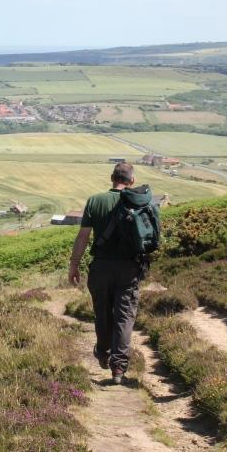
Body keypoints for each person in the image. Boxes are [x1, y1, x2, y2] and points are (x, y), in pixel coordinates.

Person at [68, 162, 151, 385]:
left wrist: (74, 264)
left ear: (111, 178)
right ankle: (118, 367)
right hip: (129, 267)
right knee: (124, 317)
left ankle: (103, 352)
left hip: (101, 267)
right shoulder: (139, 201)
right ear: (132, 181)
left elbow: (83, 236)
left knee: (102, 313)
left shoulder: (95, 200)